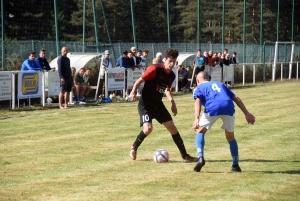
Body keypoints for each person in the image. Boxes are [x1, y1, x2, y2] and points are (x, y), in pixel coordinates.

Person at [129, 48, 198, 162]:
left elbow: (167, 90)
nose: (171, 64)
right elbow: (139, 81)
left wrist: (172, 103)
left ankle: (185, 155)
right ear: (165, 60)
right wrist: (132, 93)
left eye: (173, 61)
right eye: (169, 61)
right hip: (145, 104)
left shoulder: (171, 76)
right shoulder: (154, 69)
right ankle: (134, 147)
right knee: (148, 129)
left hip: (158, 105)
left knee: (173, 129)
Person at [192, 71, 256, 172]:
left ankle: (200, 158)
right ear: (208, 78)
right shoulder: (220, 84)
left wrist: (196, 119)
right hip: (228, 107)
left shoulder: (198, 88)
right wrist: (247, 113)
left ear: (197, 80)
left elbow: (198, 101)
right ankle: (235, 165)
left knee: (200, 131)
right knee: (230, 137)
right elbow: (236, 98)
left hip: (213, 107)